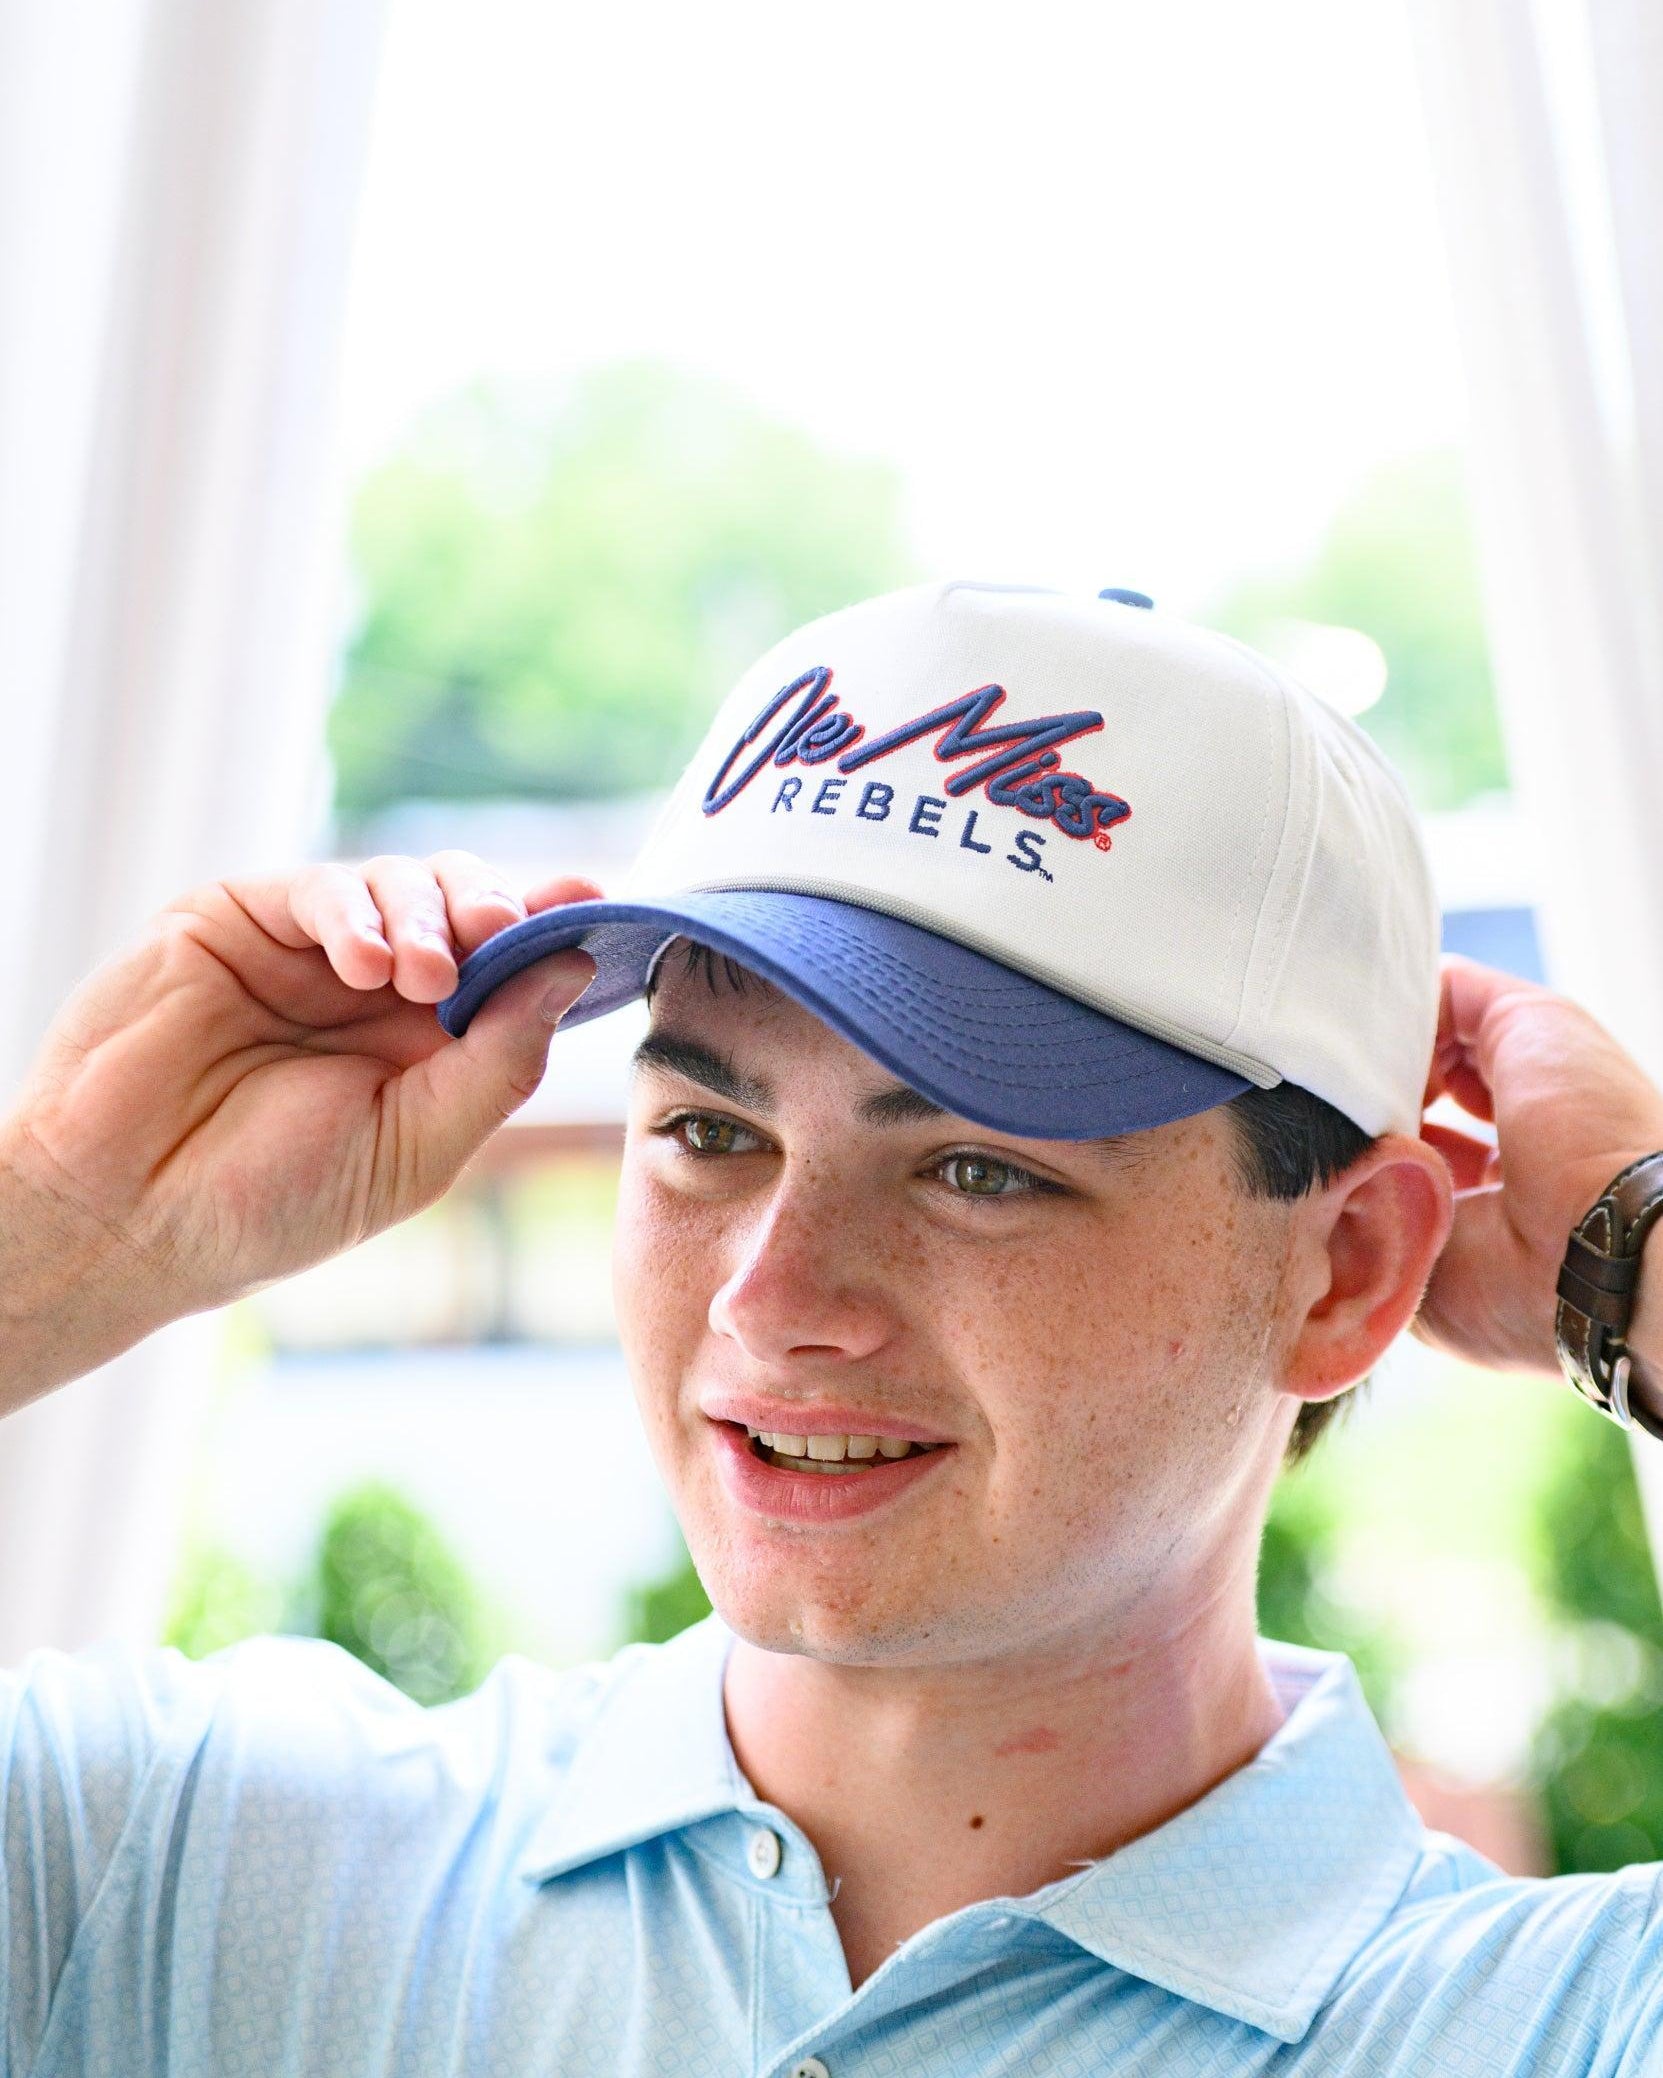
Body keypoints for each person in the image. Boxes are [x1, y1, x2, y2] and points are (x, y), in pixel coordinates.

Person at [3, 579, 1662, 2075]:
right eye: (711, 1135)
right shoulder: (172, 1874)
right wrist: (61, 1234)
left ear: (1349, 1266)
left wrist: (1636, 1258)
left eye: (971, 1166)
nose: (771, 1297)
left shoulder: (1559, 2025)